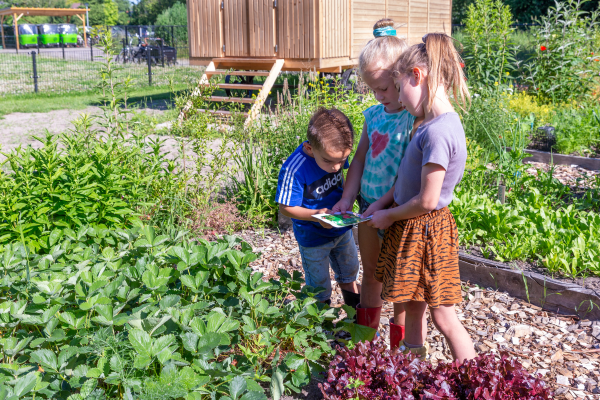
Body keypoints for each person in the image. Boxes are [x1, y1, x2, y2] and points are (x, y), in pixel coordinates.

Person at [363, 33, 477, 362]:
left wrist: (388, 216)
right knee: (414, 308)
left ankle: (472, 378)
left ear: (418, 76)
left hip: (424, 230)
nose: (398, 97)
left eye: (399, 88)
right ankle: (411, 373)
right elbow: (406, 181)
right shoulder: (429, 124)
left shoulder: (439, 131)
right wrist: (384, 202)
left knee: (442, 316)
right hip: (414, 227)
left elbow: (427, 200)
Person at [332, 18, 424, 347]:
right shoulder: (373, 115)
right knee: (370, 275)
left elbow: (406, 175)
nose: (379, 95)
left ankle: (397, 346)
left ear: (402, 79)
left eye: (384, 88)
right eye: (373, 89)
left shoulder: (415, 119)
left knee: (399, 285)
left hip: (398, 212)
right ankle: (366, 337)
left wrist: (382, 204)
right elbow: (358, 160)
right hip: (367, 210)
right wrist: (347, 198)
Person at [276, 108, 360, 305]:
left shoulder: (335, 151)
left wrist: (347, 200)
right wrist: (316, 215)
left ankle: (354, 317)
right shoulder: (295, 168)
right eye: (330, 161)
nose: (337, 167)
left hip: (340, 229)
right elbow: (285, 208)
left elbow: (343, 178)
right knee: (319, 286)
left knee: (349, 274)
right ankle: (321, 325)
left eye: (342, 160)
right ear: (309, 148)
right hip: (312, 238)